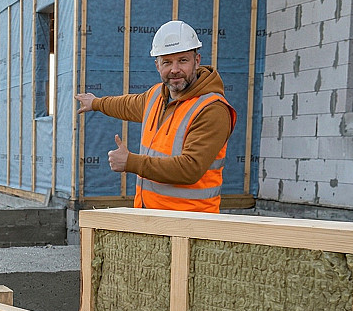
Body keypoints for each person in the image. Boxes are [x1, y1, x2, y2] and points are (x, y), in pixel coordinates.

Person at [75, 20, 237, 213]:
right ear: (157, 65)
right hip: (151, 216)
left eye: (183, 60)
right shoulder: (156, 97)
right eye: (167, 62)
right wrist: (96, 103)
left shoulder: (212, 109)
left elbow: (190, 169)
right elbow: (126, 105)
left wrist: (131, 162)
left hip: (191, 221)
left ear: (197, 61)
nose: (174, 69)